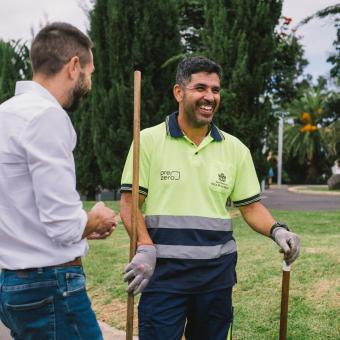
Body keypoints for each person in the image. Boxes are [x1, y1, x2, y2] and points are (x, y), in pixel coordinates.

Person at [120, 56, 300, 340]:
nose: (209, 97)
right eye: (200, 88)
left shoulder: (235, 149)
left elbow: (251, 207)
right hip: (164, 276)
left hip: (216, 279)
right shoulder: (148, 141)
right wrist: (144, 246)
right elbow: (130, 203)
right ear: (179, 92)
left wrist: (277, 230)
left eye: (215, 90)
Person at [0, 22, 116, 340]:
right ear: (74, 66)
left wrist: (86, 227)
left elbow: (23, 212)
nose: (89, 83)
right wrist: (95, 219)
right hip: (50, 286)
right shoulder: (46, 116)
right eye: (89, 74)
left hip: (12, 285)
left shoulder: (5, 115)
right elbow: (63, 224)